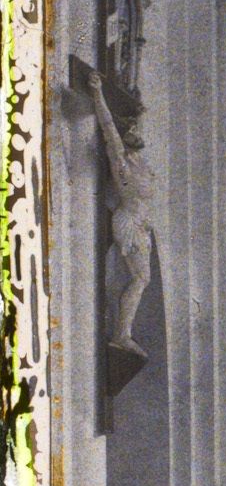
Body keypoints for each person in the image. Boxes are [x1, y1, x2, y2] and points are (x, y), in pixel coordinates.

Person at [86, 68, 154, 357]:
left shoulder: (140, 161)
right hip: (127, 220)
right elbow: (106, 125)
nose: (138, 132)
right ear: (125, 134)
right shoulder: (122, 160)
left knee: (142, 279)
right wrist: (97, 93)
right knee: (141, 278)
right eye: (133, 128)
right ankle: (121, 334)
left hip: (141, 223)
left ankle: (123, 333)